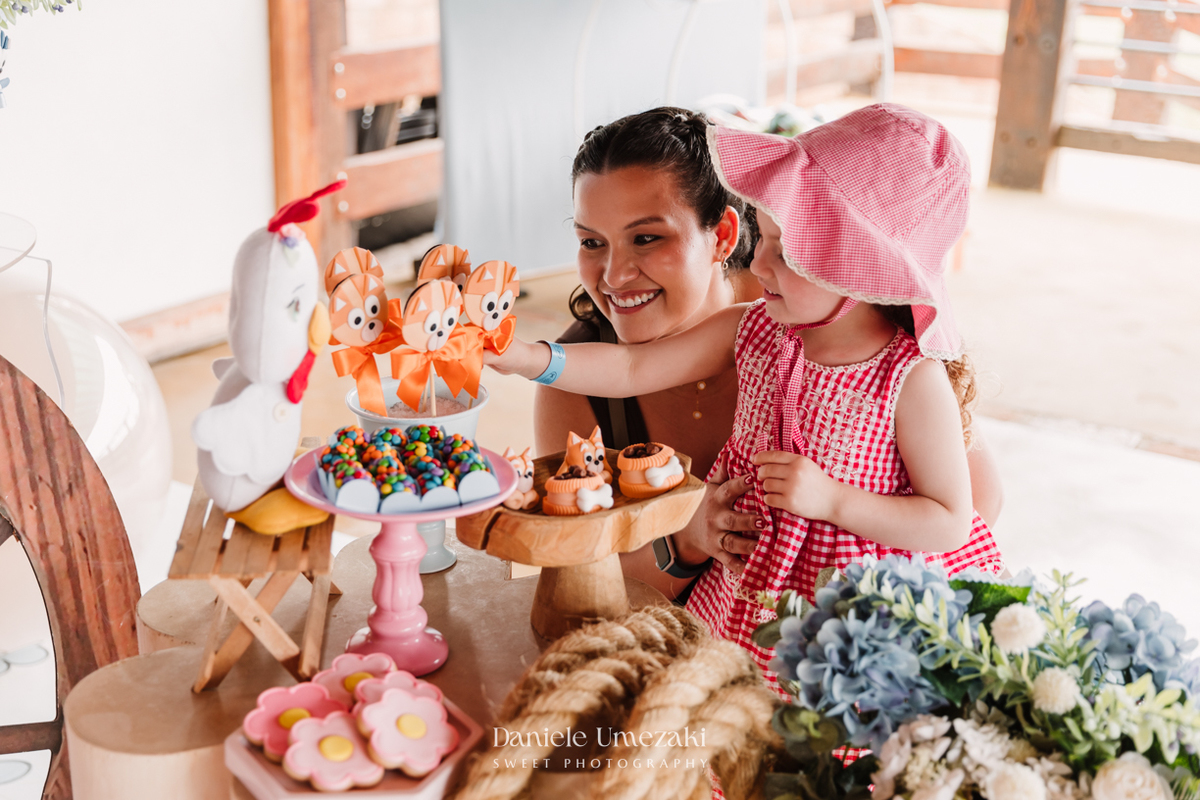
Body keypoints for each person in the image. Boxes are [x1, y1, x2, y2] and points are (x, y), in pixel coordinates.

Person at [491, 103, 1005, 682]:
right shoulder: (757, 328)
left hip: (857, 622)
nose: (614, 275)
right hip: (737, 607)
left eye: (647, 238)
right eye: (591, 242)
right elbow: (631, 371)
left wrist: (837, 506)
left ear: (859, 271)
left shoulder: (905, 374)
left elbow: (963, 512)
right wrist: (516, 354)